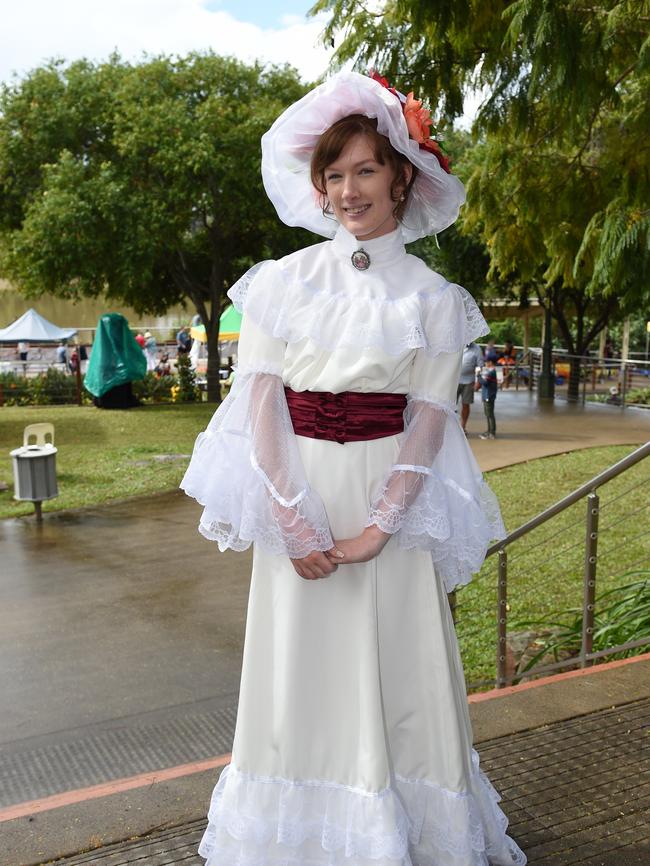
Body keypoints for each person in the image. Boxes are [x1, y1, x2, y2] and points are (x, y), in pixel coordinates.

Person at [181, 71, 525, 865]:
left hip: (384, 506)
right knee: (298, 670)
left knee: (400, 665)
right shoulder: (282, 282)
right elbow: (260, 404)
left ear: (401, 177)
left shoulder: (435, 297)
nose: (346, 190)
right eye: (333, 176)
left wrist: (381, 526)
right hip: (296, 494)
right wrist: (291, 516)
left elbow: (432, 417)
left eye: (364, 170)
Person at [456, 341, 484, 434]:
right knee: (449, 405)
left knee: (466, 404)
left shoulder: (477, 348)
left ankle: (463, 427)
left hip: (469, 381)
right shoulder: (455, 342)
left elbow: (480, 366)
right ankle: (451, 427)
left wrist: (478, 380)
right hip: (453, 381)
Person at [478, 356, 499, 439]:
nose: (485, 363)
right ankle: (489, 431)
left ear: (490, 362)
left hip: (489, 396)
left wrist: (478, 376)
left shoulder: (491, 372)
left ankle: (492, 432)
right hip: (487, 395)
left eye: (486, 362)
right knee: (488, 414)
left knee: (490, 415)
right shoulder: (490, 371)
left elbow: (485, 382)